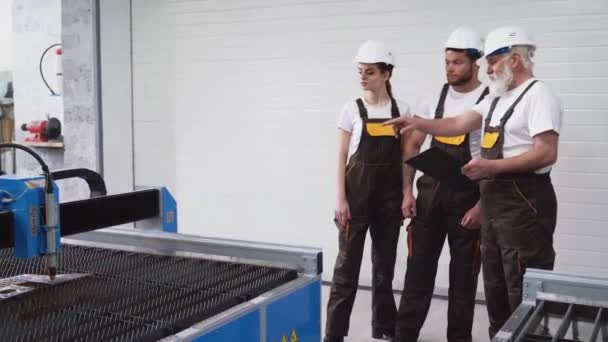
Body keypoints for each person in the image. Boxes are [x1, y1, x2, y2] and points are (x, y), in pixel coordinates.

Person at [386, 26, 562, 339]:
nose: (488, 67)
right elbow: (455, 123)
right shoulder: (497, 98)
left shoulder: (539, 95)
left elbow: (547, 153)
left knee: (522, 291)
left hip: (523, 205)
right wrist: (417, 121)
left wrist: (490, 168)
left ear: (516, 60)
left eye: (493, 61)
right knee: (495, 290)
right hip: (494, 206)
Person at [394, 26, 488, 342]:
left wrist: (482, 206)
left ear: (476, 63)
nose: (450, 68)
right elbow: (411, 146)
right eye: (447, 61)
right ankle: (404, 335)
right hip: (429, 198)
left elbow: (497, 157)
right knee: (417, 274)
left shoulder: (492, 102)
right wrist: (408, 190)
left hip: (467, 201)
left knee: (463, 282)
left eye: (457, 62)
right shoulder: (433, 99)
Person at [325, 40, 410, 342]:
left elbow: (404, 158)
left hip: (389, 202)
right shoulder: (351, 109)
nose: (362, 77)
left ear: (387, 73)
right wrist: (340, 199)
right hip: (356, 201)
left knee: (384, 269)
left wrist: (405, 194)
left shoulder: (401, 111)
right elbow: (340, 155)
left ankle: (385, 328)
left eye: (369, 72)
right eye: (360, 71)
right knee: (346, 271)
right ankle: (333, 335)